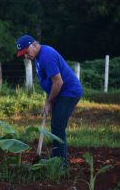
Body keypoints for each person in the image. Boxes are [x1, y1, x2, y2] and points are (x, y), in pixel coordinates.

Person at [15, 34, 83, 166]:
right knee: (56, 126)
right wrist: (49, 100)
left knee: (58, 126)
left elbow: (58, 83)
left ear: (34, 44)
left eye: (26, 52)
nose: (26, 56)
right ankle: (57, 157)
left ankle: (61, 164)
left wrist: (49, 102)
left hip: (69, 92)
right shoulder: (39, 57)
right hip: (60, 93)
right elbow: (50, 83)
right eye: (23, 54)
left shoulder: (47, 56)